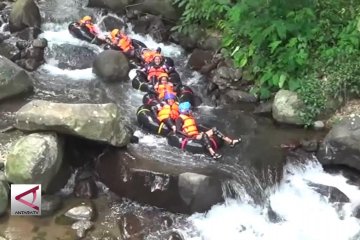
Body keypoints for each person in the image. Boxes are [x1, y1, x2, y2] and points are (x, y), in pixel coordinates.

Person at [175, 102, 242, 159]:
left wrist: (204, 130)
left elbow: (195, 127)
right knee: (204, 135)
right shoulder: (180, 119)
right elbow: (178, 130)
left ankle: (231, 142)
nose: (190, 111)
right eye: (189, 109)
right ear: (185, 110)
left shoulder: (189, 117)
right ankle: (213, 153)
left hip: (196, 135)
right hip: (191, 137)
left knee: (214, 129)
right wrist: (188, 136)